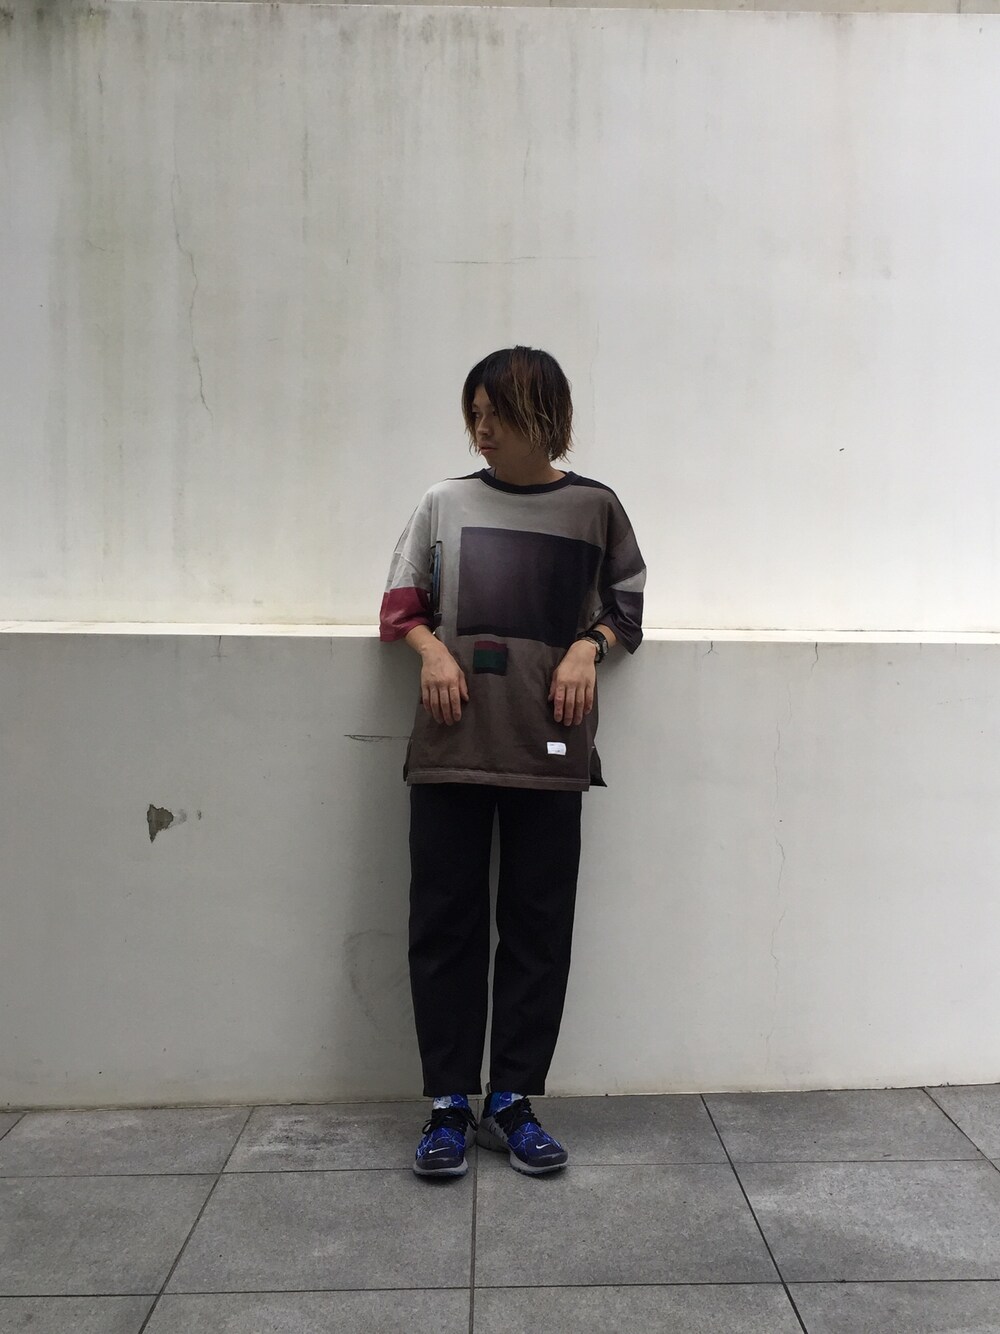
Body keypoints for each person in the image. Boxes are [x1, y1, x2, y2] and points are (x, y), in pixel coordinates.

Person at [379, 345, 645, 1178]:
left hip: (548, 749)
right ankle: (448, 1105)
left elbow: (628, 605)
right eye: (475, 414)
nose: (481, 429)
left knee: (538, 930)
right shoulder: (444, 503)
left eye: (495, 413)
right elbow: (399, 605)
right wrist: (431, 650)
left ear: (544, 415)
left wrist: (588, 648)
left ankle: (512, 1101)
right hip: (453, 747)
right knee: (444, 927)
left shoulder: (594, 508)